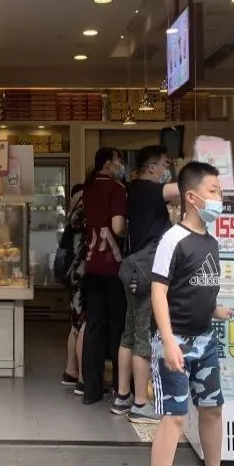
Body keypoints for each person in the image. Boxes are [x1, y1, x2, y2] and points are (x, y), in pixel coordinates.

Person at [149, 161, 231, 466]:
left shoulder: (210, 241)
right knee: (175, 416)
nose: (219, 198)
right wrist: (168, 342)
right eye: (213, 191)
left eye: (219, 191)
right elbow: (159, 292)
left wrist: (214, 310)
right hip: (175, 340)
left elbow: (194, 286)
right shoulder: (173, 239)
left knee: (212, 408)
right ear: (191, 197)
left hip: (205, 339)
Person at [113, 145, 179, 423]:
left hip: (133, 269)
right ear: (152, 167)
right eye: (165, 165)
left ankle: (123, 396)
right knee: (142, 337)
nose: (167, 170)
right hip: (145, 272)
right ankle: (141, 403)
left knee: (129, 334)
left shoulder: (135, 190)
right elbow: (182, 188)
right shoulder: (147, 189)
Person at [79, 147, 127, 404]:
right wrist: (129, 230)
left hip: (91, 265)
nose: (121, 164)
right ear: (108, 163)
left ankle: (91, 389)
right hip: (113, 266)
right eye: (118, 160)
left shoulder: (87, 188)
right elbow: (118, 226)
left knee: (94, 326)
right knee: (117, 327)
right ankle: (120, 388)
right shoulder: (116, 189)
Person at [61, 183, 87, 387]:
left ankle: (71, 371)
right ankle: (84, 379)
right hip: (83, 273)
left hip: (73, 274)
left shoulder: (73, 213)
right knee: (85, 324)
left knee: (76, 325)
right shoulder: (84, 214)